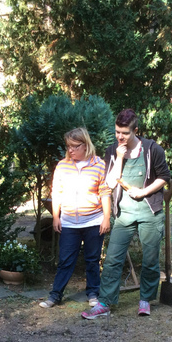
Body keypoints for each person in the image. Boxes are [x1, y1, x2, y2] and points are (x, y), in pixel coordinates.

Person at [82, 109, 170, 319]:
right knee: (112, 259)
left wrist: (143, 192)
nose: (120, 137)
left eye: (125, 133)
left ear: (135, 131)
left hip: (150, 212)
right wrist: (120, 158)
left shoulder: (152, 149)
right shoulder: (112, 151)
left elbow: (164, 177)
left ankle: (145, 299)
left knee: (150, 259)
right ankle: (105, 303)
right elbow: (110, 183)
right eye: (117, 132)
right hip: (124, 214)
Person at [39, 127, 112, 308]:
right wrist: (56, 217)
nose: (70, 150)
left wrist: (106, 218)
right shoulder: (62, 166)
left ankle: (93, 293)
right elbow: (57, 193)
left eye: (75, 146)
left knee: (92, 259)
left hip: (93, 221)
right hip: (69, 223)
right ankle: (55, 296)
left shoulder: (99, 165)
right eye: (68, 146)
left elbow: (105, 193)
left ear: (85, 145)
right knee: (65, 260)